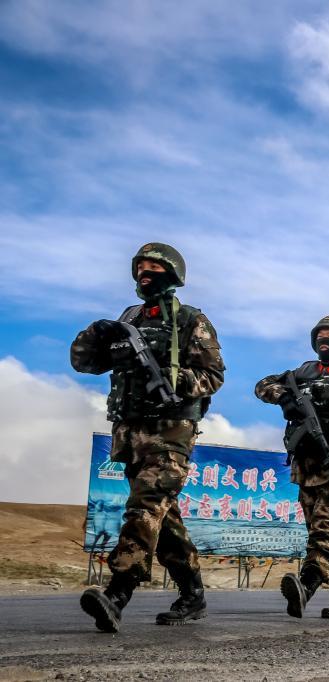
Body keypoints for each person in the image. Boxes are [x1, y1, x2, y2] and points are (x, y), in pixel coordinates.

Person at [71, 243, 225, 632]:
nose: (145, 272)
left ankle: (118, 593)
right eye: (140, 266)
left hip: (171, 431)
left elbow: (213, 376)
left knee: (144, 507)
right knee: (163, 518)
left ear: (171, 274)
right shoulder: (128, 320)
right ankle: (193, 594)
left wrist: (172, 378)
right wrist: (95, 333)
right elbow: (84, 362)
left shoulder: (190, 320)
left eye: (154, 267)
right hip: (131, 434)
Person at [254, 316, 329, 618]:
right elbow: (262, 385)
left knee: (324, 528)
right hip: (306, 466)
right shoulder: (301, 373)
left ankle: (307, 584)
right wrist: (284, 397)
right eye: (320, 336)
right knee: (327, 530)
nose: (324, 341)